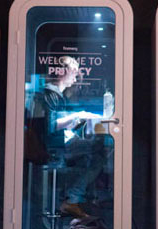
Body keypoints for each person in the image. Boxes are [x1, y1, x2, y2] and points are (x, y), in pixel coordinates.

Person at [27, 56, 104, 219]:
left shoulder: (56, 95)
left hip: (57, 142)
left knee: (93, 152)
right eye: (74, 73)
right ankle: (72, 198)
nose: (75, 78)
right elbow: (50, 126)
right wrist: (76, 116)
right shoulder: (49, 95)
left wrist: (74, 121)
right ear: (62, 72)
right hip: (53, 146)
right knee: (99, 152)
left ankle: (72, 196)